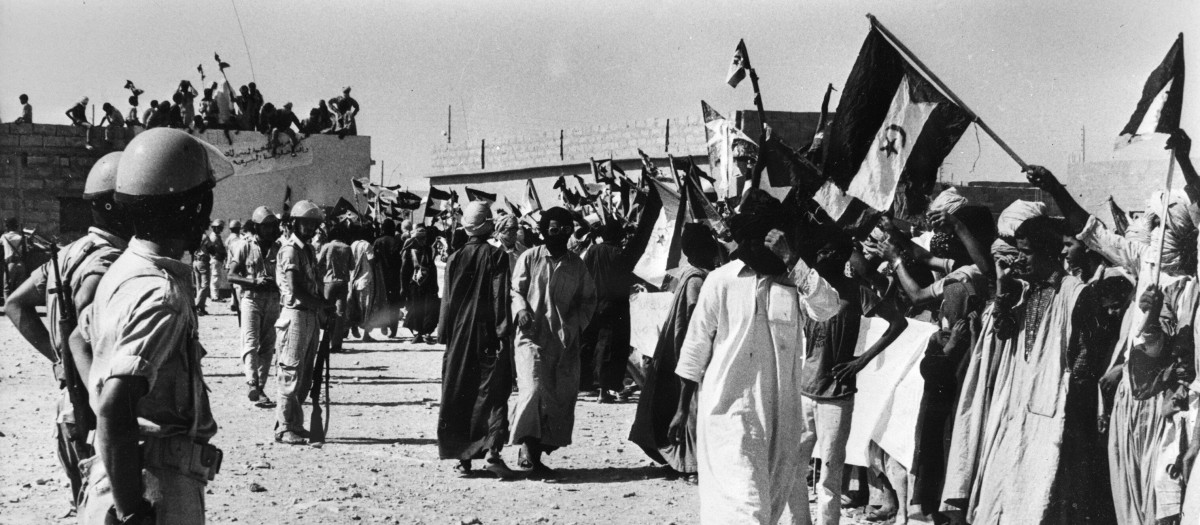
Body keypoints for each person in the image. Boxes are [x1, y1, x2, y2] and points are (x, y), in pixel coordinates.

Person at [75, 127, 228, 524]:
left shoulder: (124, 269)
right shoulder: (163, 295)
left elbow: (79, 338)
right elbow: (114, 405)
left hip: (118, 471)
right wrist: (132, 513)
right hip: (151, 484)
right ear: (192, 209)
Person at [670, 190, 843, 524]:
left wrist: (793, 261)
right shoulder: (720, 282)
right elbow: (694, 349)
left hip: (781, 418)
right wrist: (681, 410)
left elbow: (828, 307)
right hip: (729, 414)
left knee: (767, 509)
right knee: (747, 509)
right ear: (745, 243)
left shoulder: (794, 282)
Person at [4, 152, 130, 510]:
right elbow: (85, 330)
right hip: (95, 406)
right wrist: (70, 359)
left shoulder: (70, 253)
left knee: (86, 504)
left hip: (70, 404)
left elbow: (15, 304)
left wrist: (58, 359)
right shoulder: (108, 261)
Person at [799, 235, 908, 525]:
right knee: (794, 471)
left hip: (836, 394)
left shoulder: (856, 291)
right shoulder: (806, 291)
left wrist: (861, 361)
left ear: (838, 255)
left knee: (830, 478)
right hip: (803, 390)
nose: (819, 256)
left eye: (826, 251)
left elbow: (898, 323)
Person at [509, 206, 598, 477]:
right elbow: (516, 289)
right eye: (554, 229)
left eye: (566, 230)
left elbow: (588, 300)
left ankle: (535, 453)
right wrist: (521, 309)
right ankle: (525, 445)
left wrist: (575, 327)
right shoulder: (530, 258)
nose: (560, 234)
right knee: (533, 390)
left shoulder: (577, 264)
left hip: (562, 344)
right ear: (544, 230)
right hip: (530, 338)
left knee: (557, 398)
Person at [628, 223, 720, 479]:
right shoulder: (697, 281)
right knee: (690, 407)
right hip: (690, 350)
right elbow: (692, 318)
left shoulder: (690, 275)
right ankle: (690, 465)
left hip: (680, 349)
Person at [437, 202, 517, 479]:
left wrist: (444, 334)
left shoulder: (454, 257)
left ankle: (464, 459)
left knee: (461, 391)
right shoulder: (497, 256)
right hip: (487, 333)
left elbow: (446, 300)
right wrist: (503, 332)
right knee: (494, 391)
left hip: (458, 336)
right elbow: (499, 296)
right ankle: (493, 452)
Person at [274, 200, 333, 445]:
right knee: (291, 371)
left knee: (306, 374)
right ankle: (285, 426)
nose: (309, 228)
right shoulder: (290, 250)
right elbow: (296, 288)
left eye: (313, 224)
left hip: (309, 314)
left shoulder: (307, 250)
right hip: (296, 313)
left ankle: (294, 423)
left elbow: (314, 284)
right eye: (305, 223)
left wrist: (323, 306)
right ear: (295, 223)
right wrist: (321, 305)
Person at [227, 207, 282, 409]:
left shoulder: (280, 248)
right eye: (266, 227)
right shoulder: (244, 246)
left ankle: (260, 388)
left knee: (268, 346)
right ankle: (252, 382)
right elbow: (231, 275)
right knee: (250, 342)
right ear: (257, 227)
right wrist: (253, 281)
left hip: (274, 300)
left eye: (273, 226)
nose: (270, 230)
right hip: (251, 299)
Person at [317, 220, 353, 353]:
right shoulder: (347, 247)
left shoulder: (327, 246)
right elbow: (352, 266)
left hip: (329, 282)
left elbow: (318, 262)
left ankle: (326, 339)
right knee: (340, 313)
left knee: (327, 312)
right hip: (343, 282)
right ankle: (336, 344)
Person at [400, 224, 440, 343]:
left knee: (429, 309)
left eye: (424, 238)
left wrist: (435, 284)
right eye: (421, 238)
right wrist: (403, 286)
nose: (423, 241)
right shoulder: (408, 252)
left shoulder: (429, 250)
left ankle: (427, 333)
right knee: (416, 309)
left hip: (428, 284)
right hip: (414, 285)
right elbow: (404, 270)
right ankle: (417, 333)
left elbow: (432, 268)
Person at [372, 219, 403, 337]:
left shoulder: (377, 242)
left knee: (382, 300)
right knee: (394, 302)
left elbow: (374, 259)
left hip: (381, 276)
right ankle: (393, 329)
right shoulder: (396, 241)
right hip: (394, 276)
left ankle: (384, 325)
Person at [2, 217, 27, 299]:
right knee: (20, 289)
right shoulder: (22, 237)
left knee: (7, 289)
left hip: (10, 264)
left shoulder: (4, 237)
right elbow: (26, 250)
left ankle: (8, 309)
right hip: (21, 264)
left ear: (7, 226)